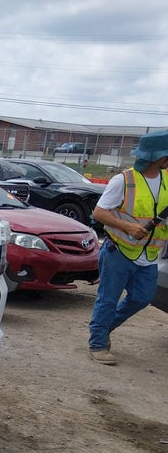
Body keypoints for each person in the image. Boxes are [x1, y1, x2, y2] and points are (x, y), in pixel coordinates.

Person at [88, 130, 168, 365]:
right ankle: (98, 344)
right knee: (108, 298)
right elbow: (99, 212)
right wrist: (128, 227)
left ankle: (104, 328)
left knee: (142, 298)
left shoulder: (166, 180)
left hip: (150, 253)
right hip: (119, 250)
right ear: (160, 157)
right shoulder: (123, 180)